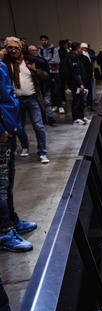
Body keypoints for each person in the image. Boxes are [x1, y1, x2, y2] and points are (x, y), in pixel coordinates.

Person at [0, 57, 37, 252]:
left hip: (9, 129)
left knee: (7, 183)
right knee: (1, 185)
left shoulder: (2, 65)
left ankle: (12, 222)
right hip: (3, 134)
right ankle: (5, 233)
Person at [1, 37, 49, 163]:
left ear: (20, 48)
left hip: (32, 99)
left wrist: (34, 69)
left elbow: (46, 76)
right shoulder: (4, 63)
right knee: (19, 127)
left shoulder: (30, 60)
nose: (13, 50)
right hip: (15, 101)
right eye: (9, 47)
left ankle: (42, 152)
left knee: (38, 126)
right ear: (5, 49)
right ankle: (25, 146)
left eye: (15, 47)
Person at [27, 45, 55, 127]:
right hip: (34, 86)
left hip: (45, 84)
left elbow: (47, 73)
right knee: (39, 103)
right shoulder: (27, 61)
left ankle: (50, 118)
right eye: (33, 50)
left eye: (36, 50)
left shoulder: (41, 60)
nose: (35, 52)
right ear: (29, 51)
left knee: (47, 102)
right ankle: (43, 119)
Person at [38, 35, 60, 123]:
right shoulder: (40, 51)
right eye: (42, 40)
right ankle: (50, 113)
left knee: (57, 90)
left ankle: (58, 105)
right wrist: (49, 59)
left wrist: (46, 61)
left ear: (48, 40)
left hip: (54, 73)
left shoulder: (53, 50)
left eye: (45, 40)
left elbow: (57, 61)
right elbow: (41, 62)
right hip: (45, 74)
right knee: (47, 94)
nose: (44, 42)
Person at [66, 42, 88, 125]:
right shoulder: (73, 57)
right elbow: (76, 73)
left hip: (78, 83)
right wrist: (81, 84)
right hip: (75, 83)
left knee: (81, 101)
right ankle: (76, 118)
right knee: (76, 100)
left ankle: (81, 117)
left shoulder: (77, 57)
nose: (81, 50)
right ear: (78, 48)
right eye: (81, 48)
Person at [80, 43, 95, 111]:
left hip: (82, 77)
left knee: (84, 91)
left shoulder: (80, 56)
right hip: (86, 77)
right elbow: (89, 67)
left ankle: (84, 103)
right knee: (88, 90)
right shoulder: (84, 56)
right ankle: (89, 103)